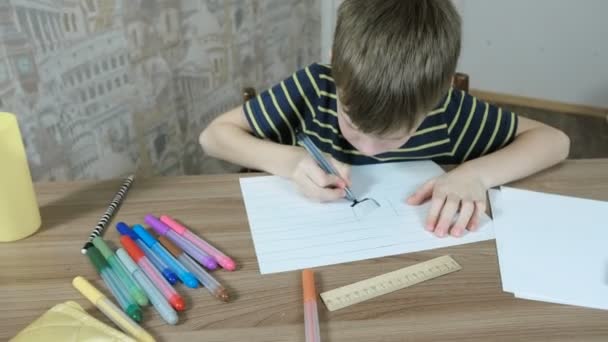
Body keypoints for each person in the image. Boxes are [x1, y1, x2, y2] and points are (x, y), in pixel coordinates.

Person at [200, 0, 570, 238]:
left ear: (440, 90)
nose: (369, 148)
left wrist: (474, 175)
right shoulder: (316, 85)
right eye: (355, 126)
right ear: (335, 65)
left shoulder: (446, 110)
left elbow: (555, 141)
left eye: (395, 136)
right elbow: (214, 136)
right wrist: (291, 162)